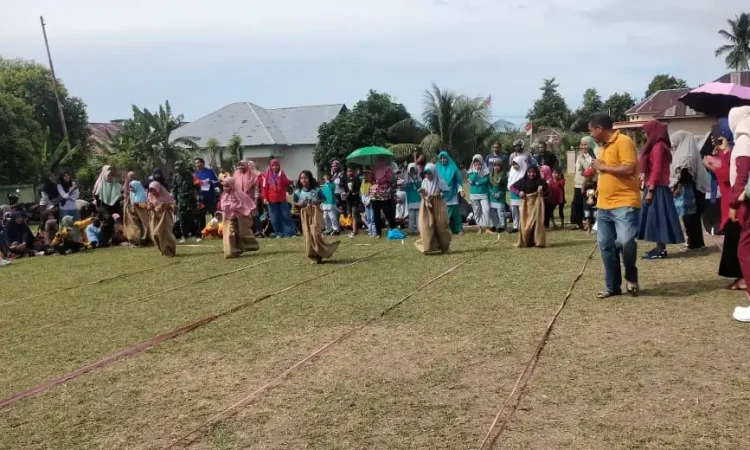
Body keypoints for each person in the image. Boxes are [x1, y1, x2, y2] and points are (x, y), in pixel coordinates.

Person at [589, 113, 641, 298]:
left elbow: (629, 169)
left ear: (599, 128)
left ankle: (631, 276)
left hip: (624, 202)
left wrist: (603, 167)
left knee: (626, 241)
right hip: (603, 204)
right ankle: (613, 287)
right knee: (605, 245)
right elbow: (605, 173)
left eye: (592, 131)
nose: (591, 135)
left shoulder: (624, 141)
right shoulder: (602, 148)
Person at [706, 118, 745, 290]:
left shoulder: (740, 148)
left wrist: (714, 166)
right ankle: (741, 277)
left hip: (736, 201)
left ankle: (743, 278)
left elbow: (732, 175)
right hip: (729, 200)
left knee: (738, 242)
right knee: (735, 241)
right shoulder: (728, 149)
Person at [637, 120, 685, 259]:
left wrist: (650, 190)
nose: (646, 135)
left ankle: (661, 250)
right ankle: (659, 248)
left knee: (658, 218)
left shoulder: (658, 147)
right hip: (657, 185)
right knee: (658, 217)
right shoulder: (661, 146)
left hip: (657, 186)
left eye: (647, 132)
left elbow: (657, 169)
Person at [670, 130, 710, 250]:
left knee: (691, 218)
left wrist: (679, 187)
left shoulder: (687, 154)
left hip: (691, 190)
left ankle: (696, 243)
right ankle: (694, 242)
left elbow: (686, 173)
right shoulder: (682, 152)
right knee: (689, 217)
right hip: (689, 189)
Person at [728, 106, 750, 322]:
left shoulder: (745, 139)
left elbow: (742, 176)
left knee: (746, 250)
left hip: (748, 203)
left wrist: (734, 203)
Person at [294, 170, 339, 263]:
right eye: (301, 178)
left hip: (315, 213)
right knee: (308, 235)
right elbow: (295, 202)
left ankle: (323, 252)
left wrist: (316, 202)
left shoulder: (316, 190)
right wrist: (299, 204)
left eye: (305, 178)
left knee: (315, 233)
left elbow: (324, 198)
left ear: (310, 179)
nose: (303, 180)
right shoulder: (298, 192)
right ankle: (313, 256)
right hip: (305, 214)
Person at [414, 163, 452, 254]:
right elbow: (423, 192)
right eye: (426, 174)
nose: (428, 176)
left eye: (430, 173)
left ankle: (444, 247)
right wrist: (423, 194)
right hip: (427, 205)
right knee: (426, 226)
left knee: (441, 226)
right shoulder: (424, 181)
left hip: (438, 205)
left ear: (434, 173)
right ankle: (428, 247)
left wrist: (439, 194)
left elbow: (447, 193)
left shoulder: (440, 182)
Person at [219, 175, 260, 258]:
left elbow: (247, 204)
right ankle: (232, 251)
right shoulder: (224, 195)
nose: (225, 189)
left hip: (240, 217)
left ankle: (248, 246)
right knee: (230, 234)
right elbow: (222, 205)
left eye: (227, 186)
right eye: (223, 187)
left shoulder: (240, 194)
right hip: (229, 218)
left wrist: (237, 208)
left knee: (242, 233)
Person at [510, 166, 548, 248]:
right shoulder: (523, 181)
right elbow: (512, 187)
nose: (531, 174)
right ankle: (527, 241)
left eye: (533, 172)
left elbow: (548, 190)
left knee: (536, 222)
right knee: (525, 223)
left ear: (536, 173)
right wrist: (519, 192)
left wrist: (542, 191)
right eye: (529, 172)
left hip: (537, 204)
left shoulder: (540, 181)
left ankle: (537, 241)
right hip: (526, 205)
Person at [261, 159, 295, 238]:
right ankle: (279, 233)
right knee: (275, 218)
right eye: (273, 165)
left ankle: (289, 233)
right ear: (270, 166)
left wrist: (282, 177)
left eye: (276, 165)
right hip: (271, 200)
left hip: (282, 199)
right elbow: (264, 188)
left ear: (279, 166)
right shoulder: (267, 176)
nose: (275, 167)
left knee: (286, 215)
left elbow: (287, 183)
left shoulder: (281, 173)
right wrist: (265, 198)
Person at [436, 151, 464, 234]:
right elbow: (435, 181)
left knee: (456, 213)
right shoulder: (437, 168)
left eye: (444, 158)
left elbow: (458, 181)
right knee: (445, 214)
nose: (442, 160)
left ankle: (459, 229)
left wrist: (461, 190)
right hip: (442, 195)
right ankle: (446, 230)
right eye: (441, 158)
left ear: (447, 158)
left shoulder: (453, 167)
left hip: (453, 193)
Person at [572, 137, 597, 229]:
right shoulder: (579, 156)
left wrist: (583, 159)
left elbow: (588, 169)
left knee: (589, 203)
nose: (583, 147)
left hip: (589, 184)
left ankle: (589, 223)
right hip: (578, 183)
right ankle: (579, 223)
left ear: (590, 145)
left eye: (585, 144)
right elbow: (579, 169)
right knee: (577, 203)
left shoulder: (593, 156)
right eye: (581, 145)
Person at [369, 156, 397, 237]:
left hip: (384, 194)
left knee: (388, 213)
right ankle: (378, 233)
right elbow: (371, 181)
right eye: (378, 160)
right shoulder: (374, 169)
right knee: (376, 214)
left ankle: (393, 229)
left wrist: (379, 181)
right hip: (374, 194)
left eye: (381, 160)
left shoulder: (387, 169)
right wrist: (371, 173)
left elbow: (389, 180)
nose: (379, 162)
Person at [147, 181, 177, 257]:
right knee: (155, 234)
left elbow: (173, 205)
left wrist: (167, 206)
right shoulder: (150, 195)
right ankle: (163, 250)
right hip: (155, 217)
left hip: (165, 217)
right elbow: (149, 205)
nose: (152, 192)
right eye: (150, 190)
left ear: (158, 189)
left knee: (165, 234)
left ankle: (170, 250)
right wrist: (150, 207)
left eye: (153, 190)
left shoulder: (165, 195)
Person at [172, 161, 200, 243]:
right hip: (181, 199)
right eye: (176, 167)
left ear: (183, 167)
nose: (178, 169)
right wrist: (175, 201)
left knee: (194, 217)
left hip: (191, 199)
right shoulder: (175, 177)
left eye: (179, 167)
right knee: (182, 218)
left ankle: (197, 235)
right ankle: (184, 236)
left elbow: (197, 187)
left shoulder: (191, 175)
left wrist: (197, 197)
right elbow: (174, 190)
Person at [123, 172, 151, 246]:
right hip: (132, 207)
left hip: (140, 205)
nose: (130, 189)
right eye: (130, 177)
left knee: (145, 223)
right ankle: (136, 241)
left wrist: (138, 204)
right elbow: (127, 194)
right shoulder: (132, 187)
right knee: (134, 224)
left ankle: (147, 239)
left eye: (133, 177)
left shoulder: (136, 185)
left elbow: (143, 199)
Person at [467, 154, 493, 234]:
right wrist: (476, 172)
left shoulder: (486, 170)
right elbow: (471, 180)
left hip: (483, 194)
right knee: (476, 212)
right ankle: (480, 227)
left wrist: (477, 182)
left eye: (478, 162)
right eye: (475, 162)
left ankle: (487, 227)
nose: (476, 164)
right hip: (474, 195)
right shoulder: (471, 171)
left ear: (481, 162)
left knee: (486, 210)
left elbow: (486, 180)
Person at [194, 158, 219, 231]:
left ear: (203, 163)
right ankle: (203, 231)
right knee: (201, 214)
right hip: (201, 197)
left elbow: (217, 181)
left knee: (214, 213)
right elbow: (194, 185)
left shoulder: (210, 171)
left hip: (211, 196)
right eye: (196, 163)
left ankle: (215, 230)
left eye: (199, 163)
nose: (197, 165)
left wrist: (211, 182)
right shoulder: (195, 174)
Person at [507, 156, 528, 233]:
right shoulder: (512, 171)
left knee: (522, 211)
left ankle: (523, 226)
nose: (515, 166)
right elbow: (510, 183)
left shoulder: (524, 173)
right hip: (513, 194)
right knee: (514, 211)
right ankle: (516, 226)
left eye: (517, 164)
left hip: (521, 195)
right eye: (514, 164)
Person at [488, 159, 507, 232]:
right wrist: (492, 193)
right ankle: (496, 225)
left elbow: (504, 188)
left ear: (501, 167)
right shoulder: (491, 175)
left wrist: (499, 194)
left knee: (500, 211)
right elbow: (489, 186)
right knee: (493, 212)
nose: (496, 167)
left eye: (498, 166)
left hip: (500, 197)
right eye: (495, 165)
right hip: (492, 197)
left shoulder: (504, 176)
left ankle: (502, 226)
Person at [405, 163, 422, 234]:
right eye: (411, 170)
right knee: (411, 216)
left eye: (413, 170)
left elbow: (420, 186)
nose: (412, 172)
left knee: (418, 215)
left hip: (418, 199)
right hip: (410, 200)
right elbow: (405, 187)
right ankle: (411, 230)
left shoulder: (418, 178)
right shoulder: (407, 179)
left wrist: (416, 180)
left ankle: (419, 229)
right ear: (409, 171)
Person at [345, 167, 362, 237]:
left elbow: (359, 190)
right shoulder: (346, 180)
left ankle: (354, 230)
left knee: (354, 215)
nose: (349, 173)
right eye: (348, 171)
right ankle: (354, 229)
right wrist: (345, 193)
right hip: (349, 200)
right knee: (350, 215)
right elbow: (346, 189)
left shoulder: (356, 179)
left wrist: (355, 193)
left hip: (355, 200)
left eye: (350, 171)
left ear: (353, 172)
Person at [361, 170, 376, 237]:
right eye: (363, 175)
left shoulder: (371, 183)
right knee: (368, 217)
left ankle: (374, 231)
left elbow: (372, 193)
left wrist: (368, 201)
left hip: (371, 201)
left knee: (372, 217)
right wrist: (364, 201)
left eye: (365, 175)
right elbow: (362, 193)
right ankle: (370, 231)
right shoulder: (362, 182)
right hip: (365, 201)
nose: (364, 176)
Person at [582, 168, 598, 233]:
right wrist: (585, 186)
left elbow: (597, 192)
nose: (586, 177)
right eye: (585, 176)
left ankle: (595, 228)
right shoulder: (584, 183)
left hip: (594, 202)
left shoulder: (595, 183)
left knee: (595, 215)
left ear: (591, 176)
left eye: (587, 176)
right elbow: (582, 192)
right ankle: (588, 229)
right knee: (587, 215)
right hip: (586, 202)